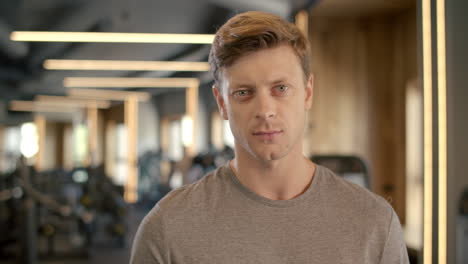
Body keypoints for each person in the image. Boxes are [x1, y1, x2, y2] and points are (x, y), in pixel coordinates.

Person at [130, 11, 409, 263]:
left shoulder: (374, 223)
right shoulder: (167, 228)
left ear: (308, 92)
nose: (265, 111)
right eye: (243, 92)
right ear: (222, 103)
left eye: (281, 88)